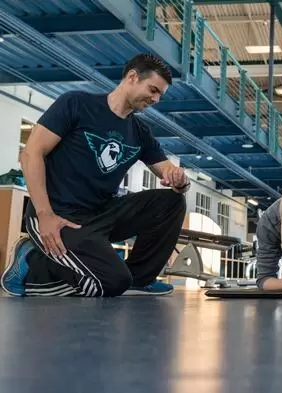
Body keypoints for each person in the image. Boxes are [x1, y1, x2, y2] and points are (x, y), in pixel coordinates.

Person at [1, 53, 189, 298]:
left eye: (160, 95)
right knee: (112, 282)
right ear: (132, 77)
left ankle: (139, 278)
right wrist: (44, 214)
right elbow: (31, 154)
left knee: (171, 201)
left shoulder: (140, 131)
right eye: (153, 90)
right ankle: (33, 266)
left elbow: (166, 169)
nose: (155, 99)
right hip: (60, 214)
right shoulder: (77, 104)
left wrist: (179, 180)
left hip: (101, 214)